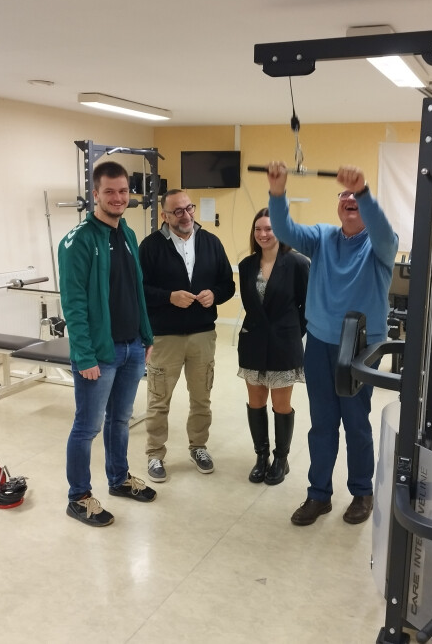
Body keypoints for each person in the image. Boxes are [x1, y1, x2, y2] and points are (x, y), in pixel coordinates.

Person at [266, 162, 398, 526]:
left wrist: (363, 190)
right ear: (338, 204)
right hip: (320, 343)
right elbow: (284, 229)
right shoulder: (322, 237)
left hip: (361, 348)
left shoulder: (381, 244)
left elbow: (381, 229)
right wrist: (277, 191)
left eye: (357, 197)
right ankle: (318, 494)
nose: (350, 200)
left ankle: (362, 492)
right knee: (322, 423)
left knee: (356, 423)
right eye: (345, 195)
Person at [58, 160, 156, 528]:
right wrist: (84, 355)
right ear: (95, 194)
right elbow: (74, 304)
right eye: (110, 191)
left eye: (123, 191)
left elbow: (136, 290)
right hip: (101, 353)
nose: (118, 197)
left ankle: (119, 479)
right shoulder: (78, 240)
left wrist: (146, 336)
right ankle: (79, 497)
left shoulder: (127, 233)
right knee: (87, 427)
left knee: (120, 420)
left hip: (132, 347)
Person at [139, 189, 236, 482]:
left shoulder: (211, 243)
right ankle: (155, 453)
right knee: (159, 400)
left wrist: (214, 294)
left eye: (189, 208)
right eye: (178, 211)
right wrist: (169, 297)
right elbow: (139, 290)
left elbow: (228, 284)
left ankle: (199, 447)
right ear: (165, 215)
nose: (186, 215)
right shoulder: (150, 247)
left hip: (202, 335)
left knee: (201, 398)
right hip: (165, 337)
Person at [237, 208, 310, 485]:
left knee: (281, 405)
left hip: (283, 344)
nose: (263, 234)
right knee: (256, 403)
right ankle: (261, 456)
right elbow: (250, 305)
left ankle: (281, 458)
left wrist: (291, 333)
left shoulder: (297, 263)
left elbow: (307, 307)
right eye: (258, 229)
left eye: (269, 228)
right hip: (253, 342)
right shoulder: (246, 265)